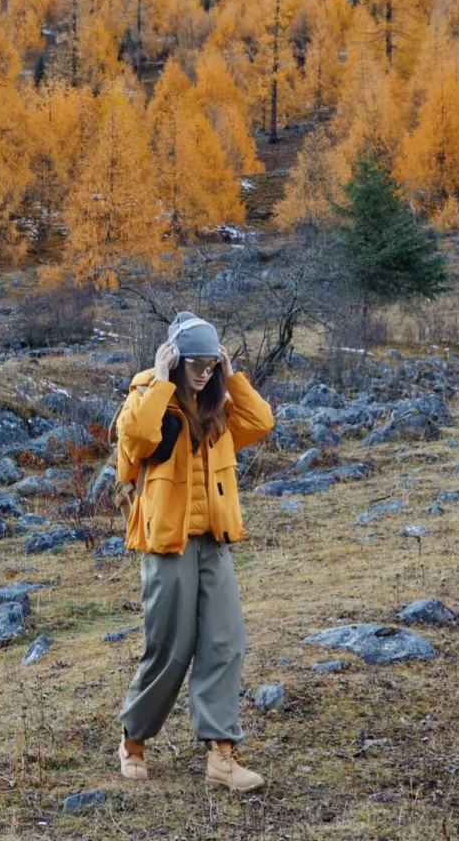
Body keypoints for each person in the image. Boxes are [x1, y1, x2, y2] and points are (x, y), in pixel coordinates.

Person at [113, 311, 274, 791]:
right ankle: (133, 741)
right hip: (167, 545)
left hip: (214, 541)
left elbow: (261, 421)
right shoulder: (146, 397)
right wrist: (161, 381)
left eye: (211, 363)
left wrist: (234, 375)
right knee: (169, 650)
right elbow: (136, 441)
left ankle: (222, 755)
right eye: (196, 363)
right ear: (175, 359)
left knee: (226, 643)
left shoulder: (218, 408)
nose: (204, 372)